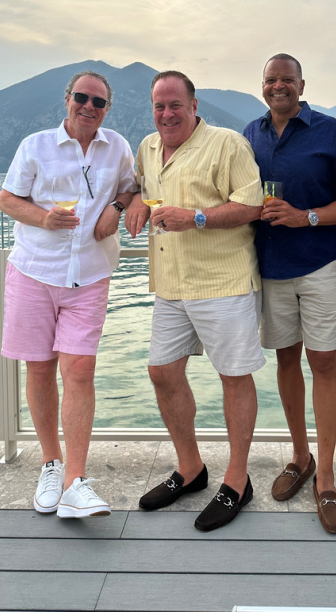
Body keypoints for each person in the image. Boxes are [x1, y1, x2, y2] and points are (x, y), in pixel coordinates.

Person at [125, 70, 265, 532]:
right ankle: (190, 469)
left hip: (222, 280)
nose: (167, 114)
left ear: (194, 105)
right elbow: (139, 191)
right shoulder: (147, 146)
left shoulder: (227, 144)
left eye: (175, 105)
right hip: (170, 283)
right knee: (162, 372)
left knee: (233, 378)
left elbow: (252, 206)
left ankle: (237, 480)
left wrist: (198, 217)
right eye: (159, 106)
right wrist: (135, 204)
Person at [0, 70, 137, 518]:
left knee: (79, 370)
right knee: (40, 370)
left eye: (98, 102)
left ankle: (76, 482)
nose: (89, 107)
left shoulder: (116, 146)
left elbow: (132, 189)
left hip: (90, 275)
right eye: (82, 97)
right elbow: (7, 199)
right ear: (67, 99)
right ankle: (51, 463)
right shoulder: (35, 145)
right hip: (35, 271)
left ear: (107, 109)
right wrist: (42, 218)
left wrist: (117, 210)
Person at [244, 54, 336, 534]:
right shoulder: (250, 134)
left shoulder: (330, 131)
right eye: (271, 80)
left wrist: (306, 216)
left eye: (287, 80)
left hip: (318, 265)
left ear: (301, 85)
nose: (279, 87)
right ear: (263, 85)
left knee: (324, 364)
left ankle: (328, 478)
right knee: (285, 361)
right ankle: (301, 457)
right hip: (270, 268)